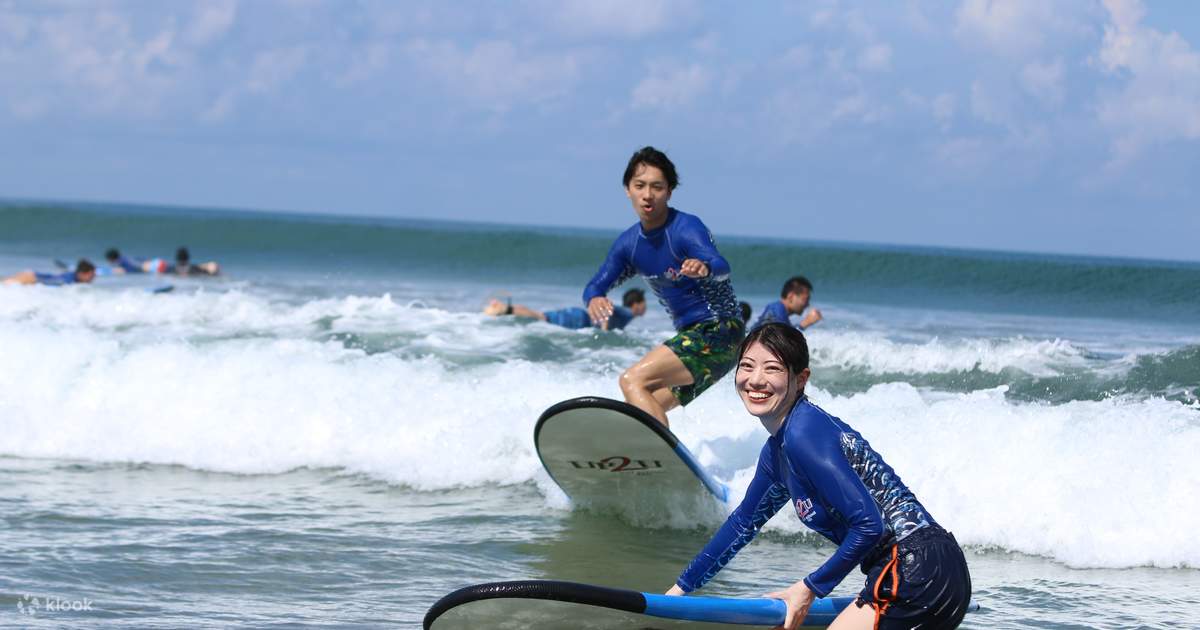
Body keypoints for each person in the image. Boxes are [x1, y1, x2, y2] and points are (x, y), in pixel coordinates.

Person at [665, 323, 972, 630]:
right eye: (746, 366)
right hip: (933, 568)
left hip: (911, 569)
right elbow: (742, 525)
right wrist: (679, 590)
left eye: (772, 368)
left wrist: (807, 589)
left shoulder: (804, 433)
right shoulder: (778, 453)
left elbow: (869, 526)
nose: (755, 379)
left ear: (801, 379)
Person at [583, 146, 743, 426]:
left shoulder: (685, 228)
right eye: (640, 185)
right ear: (627, 190)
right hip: (695, 341)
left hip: (719, 331)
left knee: (632, 380)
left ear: (669, 191)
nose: (648, 194)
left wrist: (704, 268)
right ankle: (648, 465)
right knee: (643, 406)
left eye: (657, 187)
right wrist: (594, 298)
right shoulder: (629, 244)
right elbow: (596, 284)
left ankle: (664, 458)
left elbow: (721, 265)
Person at [484, 288, 647, 331]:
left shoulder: (627, 316)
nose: (645, 306)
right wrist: (604, 329)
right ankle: (504, 308)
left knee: (542, 317)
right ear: (636, 304)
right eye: (644, 302)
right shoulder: (627, 313)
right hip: (580, 320)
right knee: (541, 317)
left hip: (579, 317)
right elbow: (608, 305)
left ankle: (505, 309)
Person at [752, 276, 822, 331]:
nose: (807, 304)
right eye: (806, 299)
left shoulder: (777, 309)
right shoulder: (778, 310)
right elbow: (784, 340)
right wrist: (805, 323)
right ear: (791, 296)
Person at [3, 259, 97, 285]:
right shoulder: (68, 280)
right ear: (82, 273)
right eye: (91, 275)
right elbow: (44, 281)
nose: (93, 278)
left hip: (30, 274)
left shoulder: (73, 278)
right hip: (29, 277)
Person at [138, 247, 220, 276]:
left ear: (177, 258)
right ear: (188, 257)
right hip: (194, 276)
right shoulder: (194, 268)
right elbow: (211, 268)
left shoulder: (171, 269)